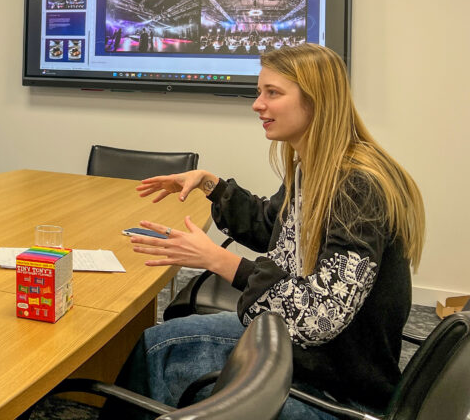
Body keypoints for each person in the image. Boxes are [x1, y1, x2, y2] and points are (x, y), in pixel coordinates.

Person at [105, 43, 425, 419]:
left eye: (272, 93)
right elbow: (274, 226)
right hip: (307, 354)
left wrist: (220, 261)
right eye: (260, 92)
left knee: (163, 355)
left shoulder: (357, 187)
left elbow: (319, 315)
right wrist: (212, 185)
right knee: (157, 342)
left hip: (337, 390)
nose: (258, 104)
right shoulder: (316, 167)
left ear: (316, 100)